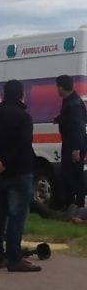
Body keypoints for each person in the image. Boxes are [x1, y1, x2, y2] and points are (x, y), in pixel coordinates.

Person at [0, 79, 41, 272]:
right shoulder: (24, 118)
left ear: (3, 95)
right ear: (21, 95)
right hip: (19, 172)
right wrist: (5, 163)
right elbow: (23, 146)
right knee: (16, 216)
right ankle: (14, 258)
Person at [54, 74, 87, 210]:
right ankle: (70, 203)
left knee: (74, 175)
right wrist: (60, 119)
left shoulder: (73, 104)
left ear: (61, 87)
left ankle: (76, 205)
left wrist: (76, 149)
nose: (56, 89)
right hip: (71, 143)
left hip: (74, 145)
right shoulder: (70, 100)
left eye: (57, 86)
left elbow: (78, 126)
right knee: (68, 174)